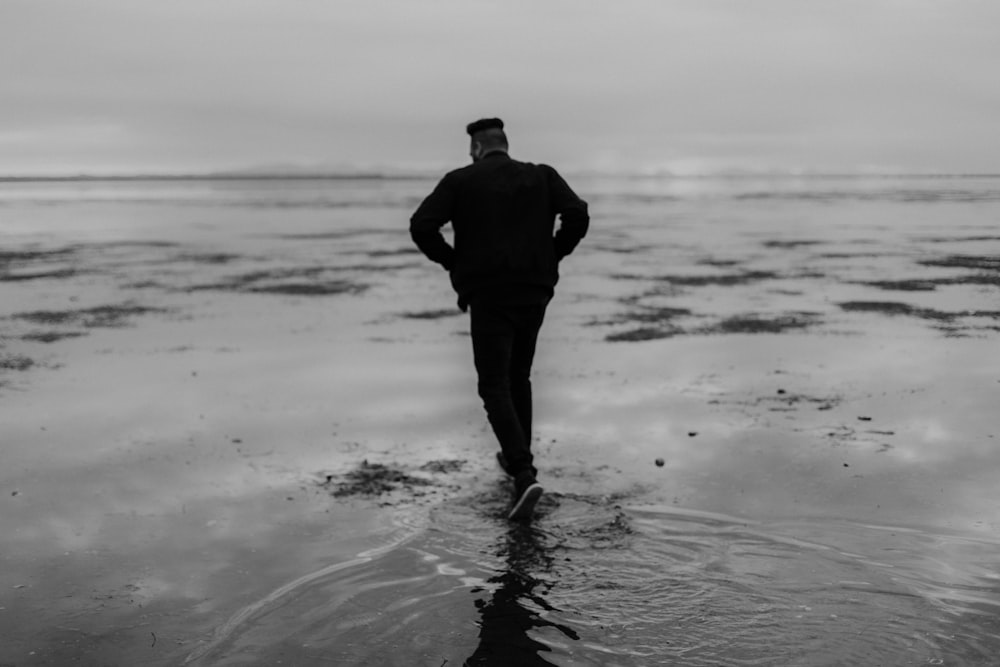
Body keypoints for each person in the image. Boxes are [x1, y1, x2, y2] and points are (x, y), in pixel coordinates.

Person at [410, 117, 589, 520]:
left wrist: (455, 262)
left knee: (494, 384)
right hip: (534, 291)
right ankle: (519, 467)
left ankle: (523, 475)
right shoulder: (542, 176)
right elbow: (577, 214)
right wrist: (552, 254)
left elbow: (421, 226)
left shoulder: (461, 180)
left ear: (476, 148)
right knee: (518, 377)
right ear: (504, 145)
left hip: (489, 294)